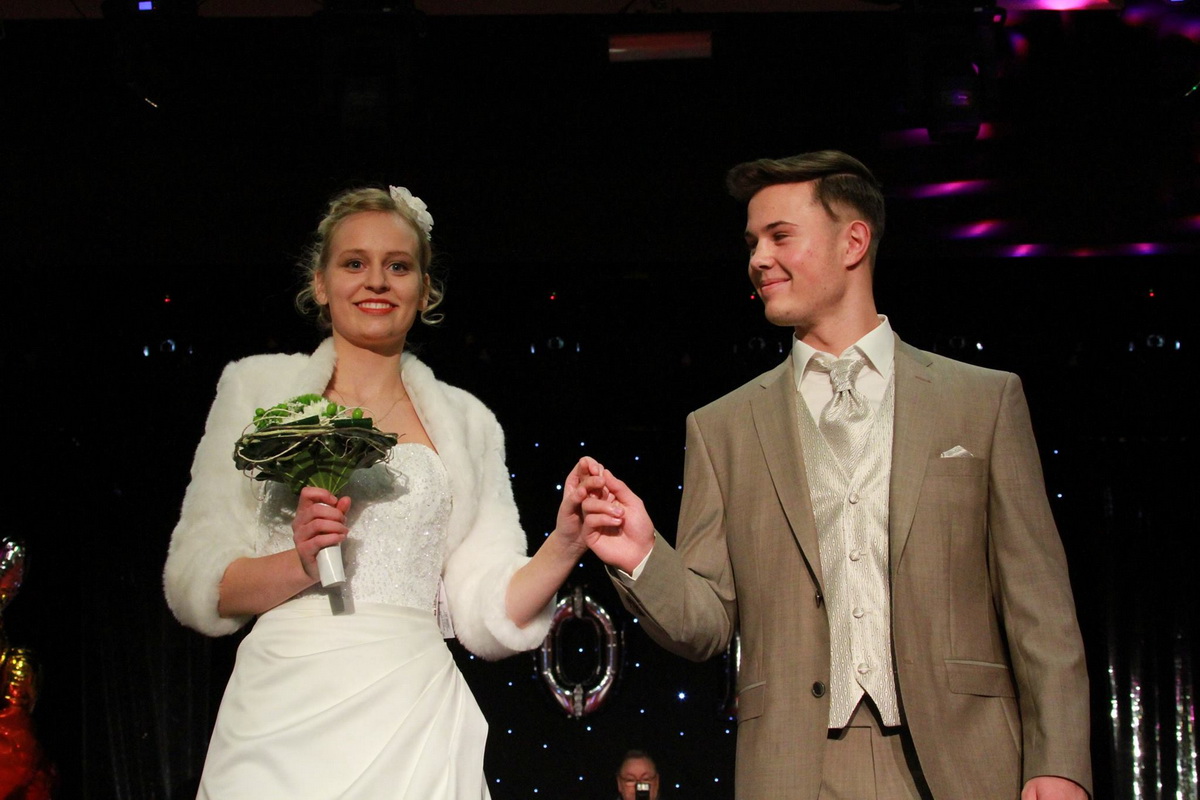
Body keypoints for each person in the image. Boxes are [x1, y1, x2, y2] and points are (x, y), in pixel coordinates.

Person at [582, 151, 1091, 799]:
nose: (759, 259)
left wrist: (1059, 761)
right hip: (796, 767)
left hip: (963, 761)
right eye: (752, 242)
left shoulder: (981, 402)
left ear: (854, 242)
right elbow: (709, 624)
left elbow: (1040, 607)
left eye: (780, 236)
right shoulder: (723, 428)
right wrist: (643, 558)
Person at [163, 185, 600, 799]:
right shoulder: (255, 390)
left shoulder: (467, 422)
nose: (376, 281)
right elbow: (198, 580)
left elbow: (484, 606)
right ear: (320, 283)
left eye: (398, 266)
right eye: (354, 263)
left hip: (412, 713)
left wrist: (566, 541)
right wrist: (299, 563)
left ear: (425, 290)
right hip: (284, 711)